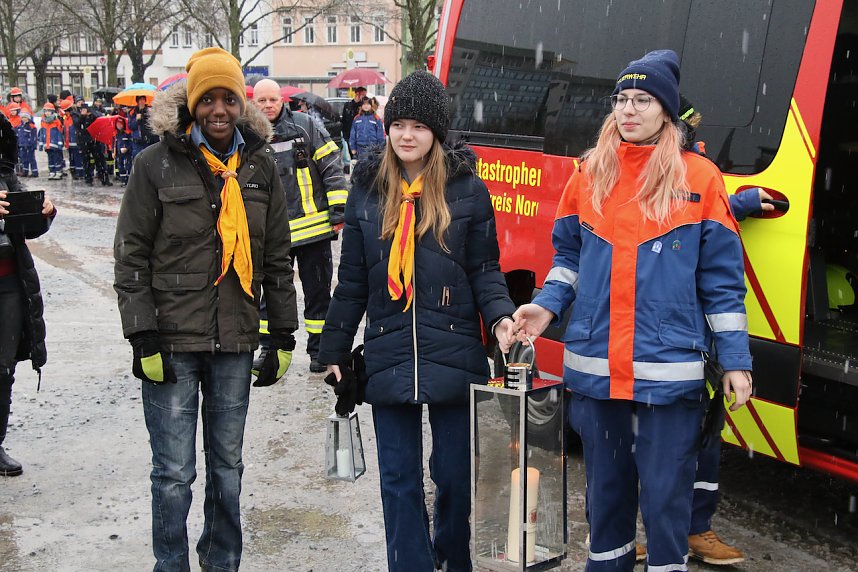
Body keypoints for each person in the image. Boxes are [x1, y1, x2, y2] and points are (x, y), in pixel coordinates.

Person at [513, 50, 753, 572]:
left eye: (643, 100)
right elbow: (569, 258)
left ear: (666, 110)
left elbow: (722, 285)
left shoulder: (702, 179)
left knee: (667, 503)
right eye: (621, 99)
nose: (629, 109)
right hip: (597, 371)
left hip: (668, 373)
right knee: (606, 500)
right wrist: (546, 308)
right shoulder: (589, 173)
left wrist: (736, 360)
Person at [318, 70, 518, 572]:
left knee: (454, 475)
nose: (407, 135)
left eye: (419, 126)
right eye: (398, 124)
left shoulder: (467, 190)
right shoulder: (366, 190)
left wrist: (500, 321)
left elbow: (485, 269)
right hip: (388, 351)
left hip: (453, 348)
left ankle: (452, 558)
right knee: (398, 479)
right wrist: (333, 349)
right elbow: (353, 281)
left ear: (437, 132)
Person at [113, 47, 298, 571]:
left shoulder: (260, 165)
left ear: (241, 104)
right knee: (173, 473)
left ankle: (221, 564)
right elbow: (132, 254)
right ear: (192, 104)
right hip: (172, 342)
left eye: (229, 99)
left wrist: (282, 333)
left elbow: (277, 257)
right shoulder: (154, 165)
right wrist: (141, 335)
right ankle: (169, 565)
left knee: (228, 470)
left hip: (236, 340)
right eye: (208, 99)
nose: (219, 110)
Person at [252, 78, 348, 373]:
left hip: (313, 230)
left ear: (282, 100)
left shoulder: (304, 125)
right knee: (271, 293)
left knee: (318, 292)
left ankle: (319, 351)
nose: (268, 105)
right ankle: (270, 349)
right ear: (254, 104)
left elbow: (331, 165)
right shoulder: (248, 134)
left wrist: (339, 210)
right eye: (262, 101)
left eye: (273, 99)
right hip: (272, 234)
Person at [0, 111, 56, 476]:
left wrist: (44, 212)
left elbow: (26, 227)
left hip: (8, 285)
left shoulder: (4, 171)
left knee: (3, 370)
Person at [78, 103, 111, 186]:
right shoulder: (79, 118)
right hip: (85, 142)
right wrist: (83, 116)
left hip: (95, 141)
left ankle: (103, 178)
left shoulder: (93, 116)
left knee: (100, 160)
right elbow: (78, 125)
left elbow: (98, 123)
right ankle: (88, 179)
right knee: (87, 161)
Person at [348, 96, 385, 162]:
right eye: (364, 104)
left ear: (371, 106)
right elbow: (352, 134)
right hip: (360, 148)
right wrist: (353, 148)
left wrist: (380, 148)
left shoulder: (376, 118)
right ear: (361, 106)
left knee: (372, 167)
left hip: (373, 148)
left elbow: (380, 134)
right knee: (361, 167)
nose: (366, 106)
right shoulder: (357, 118)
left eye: (368, 104)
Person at [37, 103, 64, 180]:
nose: (47, 113)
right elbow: (42, 134)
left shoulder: (56, 121)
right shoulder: (43, 121)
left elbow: (59, 133)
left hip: (55, 144)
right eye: (45, 111)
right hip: (47, 144)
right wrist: (41, 144)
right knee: (50, 159)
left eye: (49, 111)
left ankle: (58, 172)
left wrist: (60, 143)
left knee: (57, 159)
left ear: (52, 112)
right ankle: (52, 172)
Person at [128, 95, 158, 159]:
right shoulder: (132, 112)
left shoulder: (149, 111)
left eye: (143, 99)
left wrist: (144, 117)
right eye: (140, 99)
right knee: (137, 159)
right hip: (137, 141)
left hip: (148, 140)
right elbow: (131, 126)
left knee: (148, 159)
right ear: (137, 101)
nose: (142, 101)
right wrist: (136, 120)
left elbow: (151, 124)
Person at [15, 111, 38, 178]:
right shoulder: (20, 126)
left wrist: (33, 145)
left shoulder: (31, 126)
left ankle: (35, 172)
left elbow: (33, 137)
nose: (24, 118)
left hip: (29, 146)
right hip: (22, 145)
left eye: (25, 117)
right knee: (24, 159)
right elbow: (19, 136)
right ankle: (25, 171)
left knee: (31, 159)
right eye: (22, 117)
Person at [112, 115, 132, 185]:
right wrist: (112, 152)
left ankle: (129, 181)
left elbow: (131, 142)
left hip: (127, 154)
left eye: (120, 124)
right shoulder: (115, 134)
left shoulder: (127, 133)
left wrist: (127, 148)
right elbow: (113, 144)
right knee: (120, 167)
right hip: (118, 154)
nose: (119, 126)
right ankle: (123, 180)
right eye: (117, 124)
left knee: (128, 166)